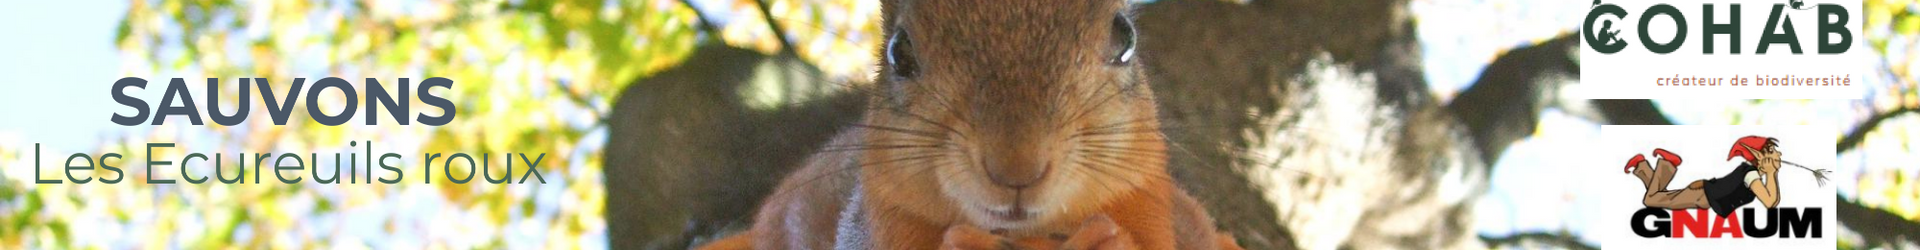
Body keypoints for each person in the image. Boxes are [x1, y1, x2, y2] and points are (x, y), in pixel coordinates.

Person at [1622, 136, 1782, 217]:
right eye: (1772, 151)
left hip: (1704, 195)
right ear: (1758, 156)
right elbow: (1770, 202)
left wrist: (1770, 173)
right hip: (1702, 196)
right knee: (1651, 200)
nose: (1779, 154)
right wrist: (1772, 173)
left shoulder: (1752, 174)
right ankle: (1666, 164)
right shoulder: (1751, 175)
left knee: (1659, 197)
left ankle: (1643, 166)